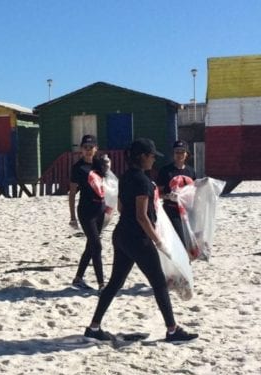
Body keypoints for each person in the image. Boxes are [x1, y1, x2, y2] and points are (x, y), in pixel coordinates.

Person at [84, 138, 198, 343]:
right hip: (138, 238)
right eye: (152, 156)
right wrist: (158, 241)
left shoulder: (126, 177)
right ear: (143, 156)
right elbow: (142, 216)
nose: (154, 159)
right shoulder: (143, 182)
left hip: (121, 235)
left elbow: (120, 207)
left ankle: (94, 327)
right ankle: (172, 330)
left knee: (114, 283)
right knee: (159, 284)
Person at [68, 134, 106, 290]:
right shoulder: (78, 168)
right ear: (81, 150)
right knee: (97, 246)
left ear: (96, 149)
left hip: (101, 209)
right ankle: (101, 284)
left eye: (91, 147)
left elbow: (107, 186)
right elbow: (72, 193)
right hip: (86, 211)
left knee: (91, 245)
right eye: (85, 148)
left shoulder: (100, 165)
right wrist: (72, 217)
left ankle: (78, 278)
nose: (88, 150)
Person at [156, 140, 197, 245]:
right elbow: (158, 194)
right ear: (173, 154)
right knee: (180, 239)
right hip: (171, 210)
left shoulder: (191, 171)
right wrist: (168, 196)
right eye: (177, 152)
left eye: (182, 152)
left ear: (186, 154)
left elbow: (195, 190)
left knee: (191, 239)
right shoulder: (165, 171)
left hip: (187, 210)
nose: (179, 155)